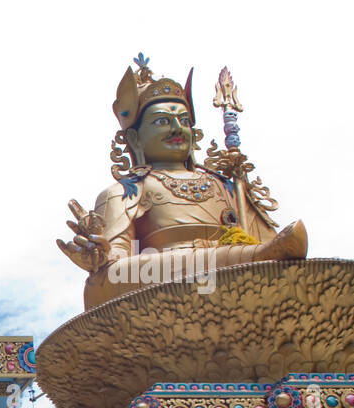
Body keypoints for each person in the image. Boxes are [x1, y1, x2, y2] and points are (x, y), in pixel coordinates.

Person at [58, 55, 306, 310]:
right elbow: (115, 264)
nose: (177, 128)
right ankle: (248, 260)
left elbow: (281, 249)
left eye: (184, 121)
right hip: (166, 283)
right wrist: (99, 256)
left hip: (240, 287)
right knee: (110, 275)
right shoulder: (125, 191)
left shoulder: (227, 187)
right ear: (135, 139)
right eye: (162, 121)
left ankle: (247, 260)